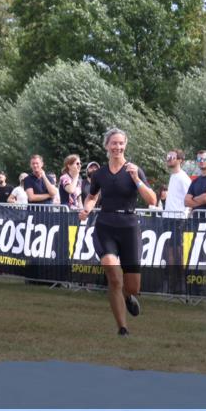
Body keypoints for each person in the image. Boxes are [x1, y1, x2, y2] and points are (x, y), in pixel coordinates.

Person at [80, 128, 156, 336]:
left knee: (132, 286)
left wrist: (137, 180)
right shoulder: (100, 174)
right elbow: (92, 196)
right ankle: (122, 327)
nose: (117, 147)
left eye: (121, 143)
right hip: (105, 225)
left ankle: (129, 297)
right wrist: (86, 208)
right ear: (106, 146)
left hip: (129, 226)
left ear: (126, 145)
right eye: (113, 143)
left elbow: (152, 200)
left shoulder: (134, 170)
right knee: (114, 277)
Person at [163, 149, 191, 218]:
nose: (169, 159)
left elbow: (190, 198)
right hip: (168, 217)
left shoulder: (183, 178)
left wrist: (185, 216)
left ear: (180, 160)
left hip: (178, 218)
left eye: (172, 157)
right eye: (168, 156)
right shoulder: (173, 176)